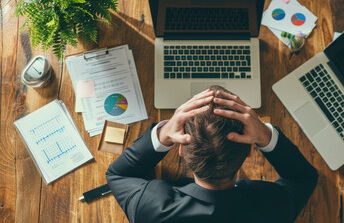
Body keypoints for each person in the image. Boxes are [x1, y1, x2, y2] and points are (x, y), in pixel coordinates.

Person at [106, 86, 318, 223]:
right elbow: (302, 178)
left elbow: (119, 175)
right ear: (251, 150)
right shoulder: (273, 208)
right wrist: (264, 134)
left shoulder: (149, 207)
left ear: (180, 149)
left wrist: (163, 133)